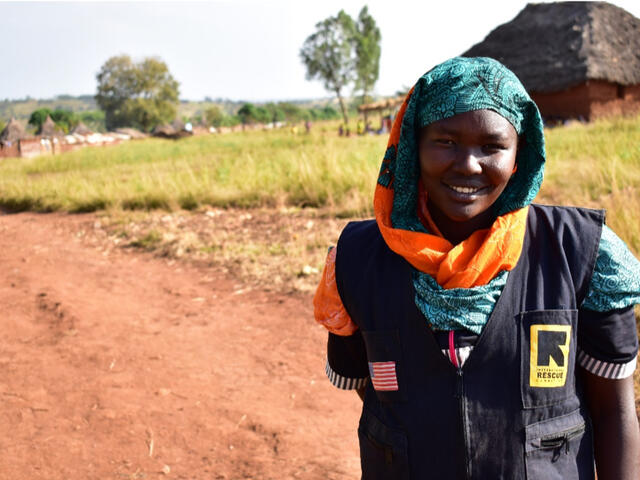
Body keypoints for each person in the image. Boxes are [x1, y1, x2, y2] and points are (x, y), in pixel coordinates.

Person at [313, 57, 640, 479]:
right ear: (413, 146)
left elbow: (613, 411)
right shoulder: (359, 259)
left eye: (491, 146)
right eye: (445, 141)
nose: (468, 164)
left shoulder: (581, 253)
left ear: (521, 154)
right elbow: (368, 387)